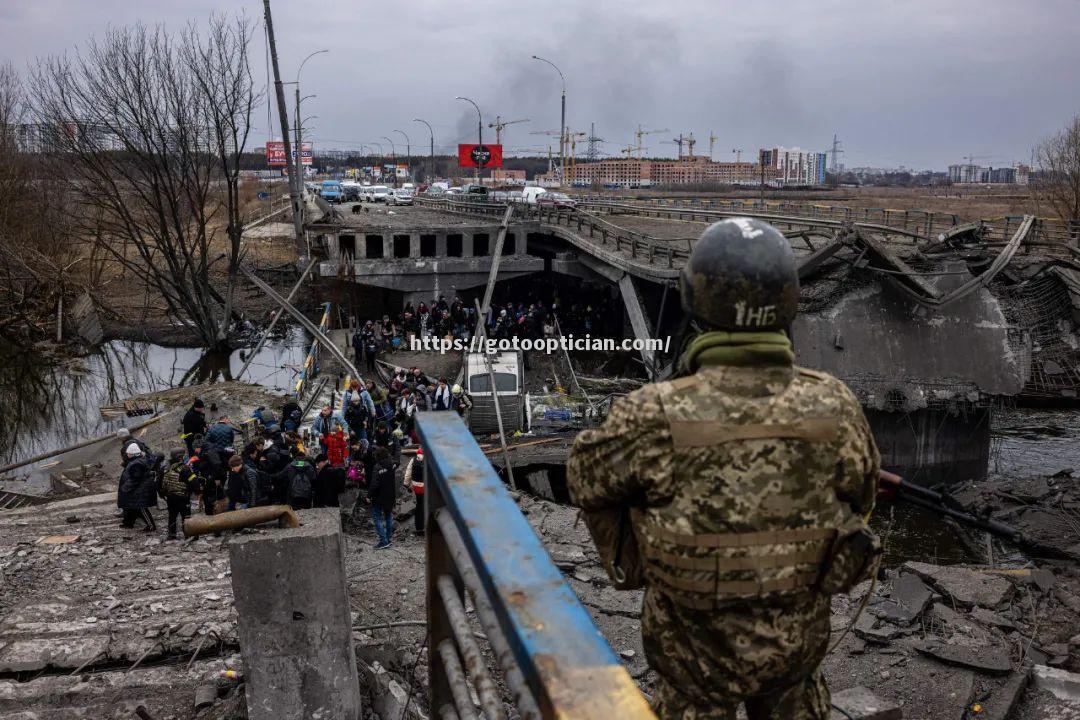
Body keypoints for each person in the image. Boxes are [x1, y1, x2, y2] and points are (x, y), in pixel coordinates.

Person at [565, 218, 881, 720]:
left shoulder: (653, 414)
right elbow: (861, 501)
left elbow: (584, 480)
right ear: (788, 301)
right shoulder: (835, 405)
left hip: (694, 664)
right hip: (795, 658)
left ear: (696, 299)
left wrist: (632, 556)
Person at [118, 443, 160, 531]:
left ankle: (151, 526)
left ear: (132, 454)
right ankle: (128, 523)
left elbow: (135, 479)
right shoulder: (139, 461)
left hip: (141, 490)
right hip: (140, 488)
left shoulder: (136, 464)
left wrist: (125, 488)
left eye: (128, 453)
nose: (127, 455)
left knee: (141, 508)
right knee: (132, 507)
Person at [160, 450, 202, 540]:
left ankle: (171, 534)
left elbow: (160, 482)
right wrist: (198, 491)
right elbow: (194, 482)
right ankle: (188, 534)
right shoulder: (185, 469)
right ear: (180, 457)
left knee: (172, 515)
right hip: (183, 497)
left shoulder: (166, 468)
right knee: (186, 516)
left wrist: (162, 494)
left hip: (170, 496)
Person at [369, 446, 396, 549]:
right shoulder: (391, 464)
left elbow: (374, 484)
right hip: (390, 495)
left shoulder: (377, 467)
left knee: (376, 516)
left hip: (379, 496)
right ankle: (388, 539)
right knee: (388, 515)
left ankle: (383, 541)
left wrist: (369, 495)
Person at [404, 447, 425, 534]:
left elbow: (408, 473)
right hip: (426, 486)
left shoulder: (413, 459)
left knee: (419, 505)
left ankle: (419, 527)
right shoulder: (429, 459)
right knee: (426, 505)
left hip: (416, 486)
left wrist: (406, 484)